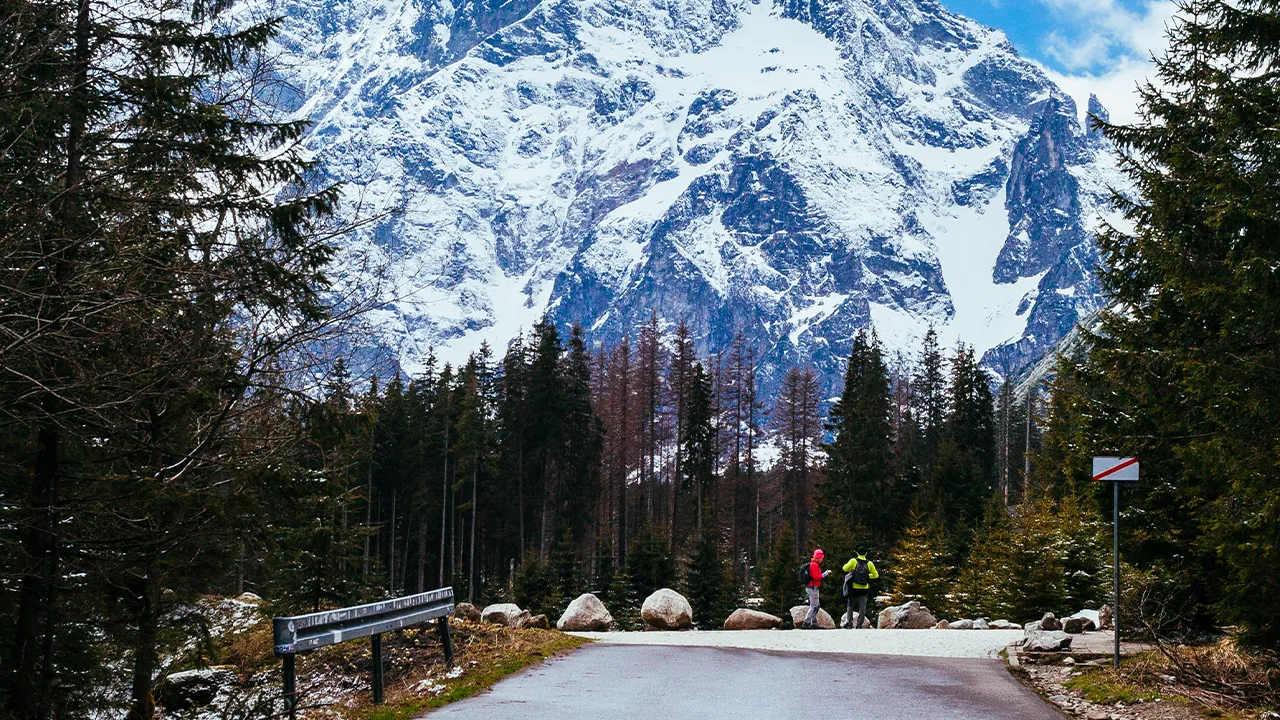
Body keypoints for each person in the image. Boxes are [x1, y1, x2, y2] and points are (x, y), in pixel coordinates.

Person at [842, 551, 879, 629]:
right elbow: (876, 575)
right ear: (866, 553)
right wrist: (867, 576)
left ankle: (849, 623)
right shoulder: (869, 563)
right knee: (862, 607)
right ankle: (859, 625)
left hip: (853, 587)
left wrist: (852, 571)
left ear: (857, 553)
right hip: (864, 588)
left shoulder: (853, 561)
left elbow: (844, 568)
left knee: (850, 605)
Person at [803, 549, 831, 629]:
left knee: (816, 605)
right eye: (821, 558)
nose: (822, 560)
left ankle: (813, 622)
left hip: (812, 587)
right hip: (812, 587)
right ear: (818, 558)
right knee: (814, 606)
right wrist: (825, 574)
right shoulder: (814, 565)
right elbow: (816, 577)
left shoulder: (813, 564)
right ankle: (807, 622)